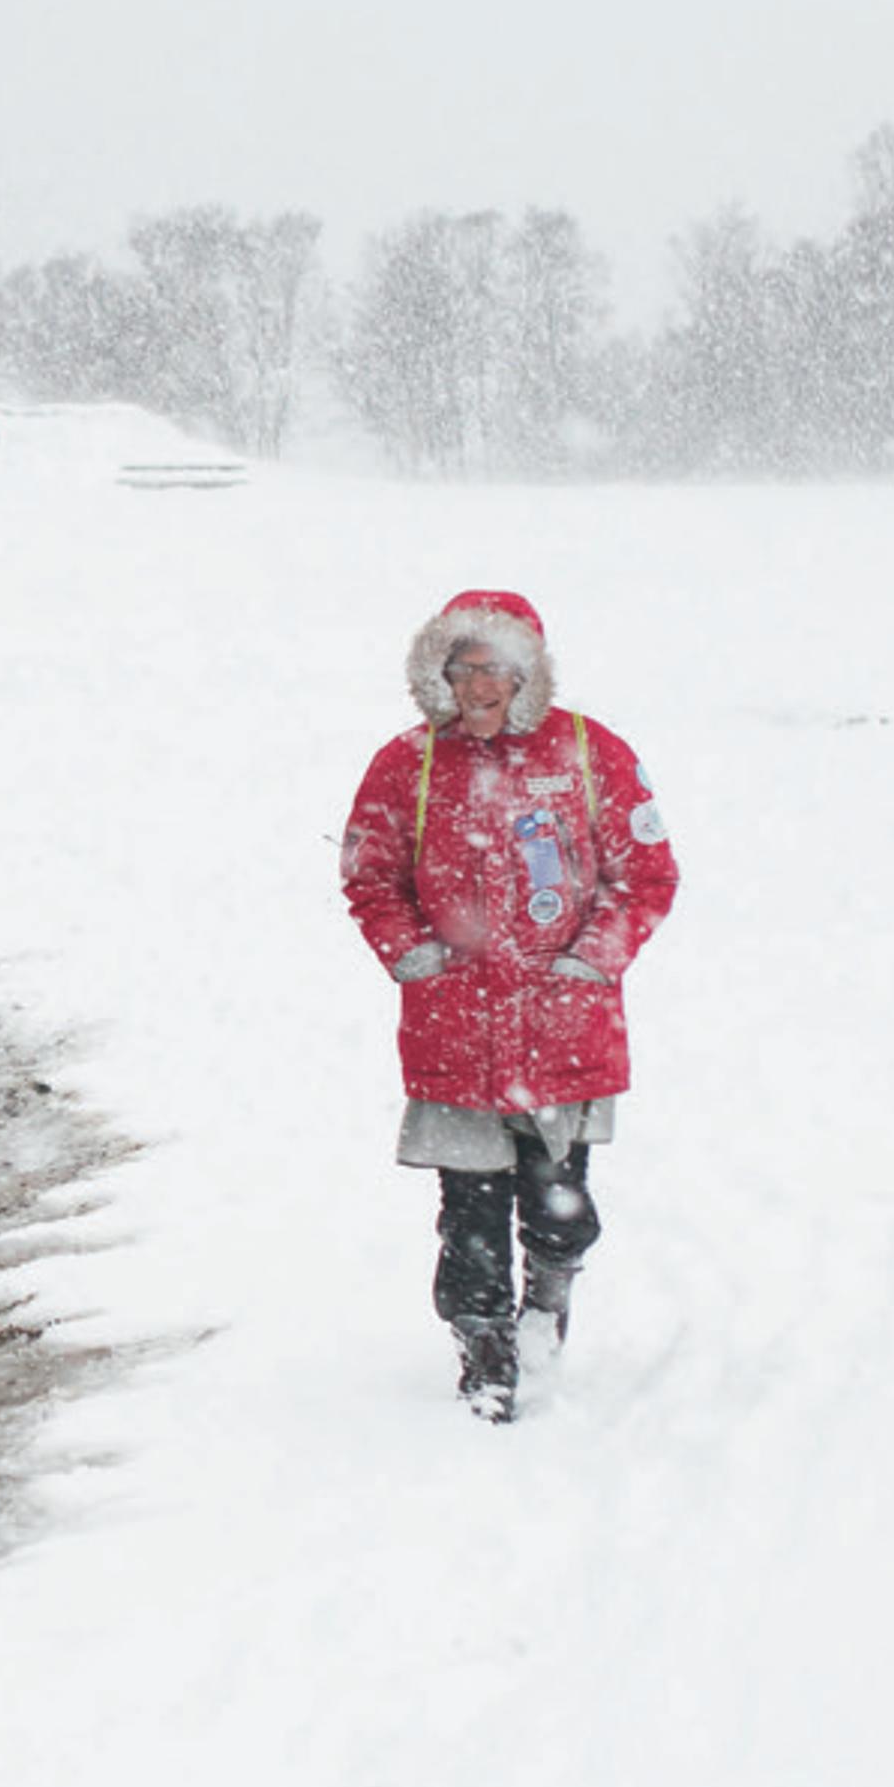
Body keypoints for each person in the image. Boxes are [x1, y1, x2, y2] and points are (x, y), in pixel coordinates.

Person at [341, 590, 678, 1422]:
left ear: (529, 672)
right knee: (471, 1214)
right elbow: (369, 874)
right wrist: (417, 958)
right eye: (464, 664)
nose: (480, 683)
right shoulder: (407, 765)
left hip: (564, 1028)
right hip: (455, 1028)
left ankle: (546, 1315)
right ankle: (485, 1351)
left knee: (559, 1202)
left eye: (497, 666)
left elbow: (645, 876)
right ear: (438, 671)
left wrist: (590, 964)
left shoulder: (592, 754)